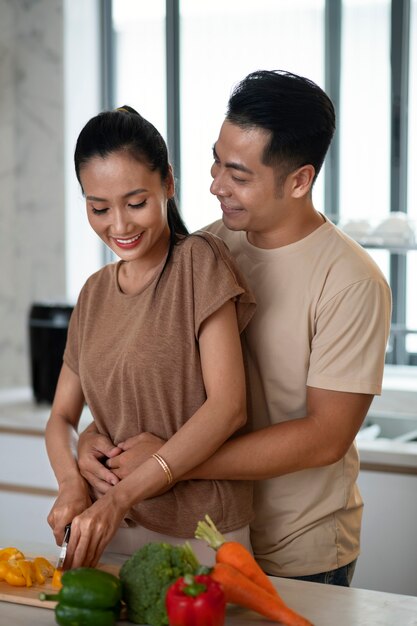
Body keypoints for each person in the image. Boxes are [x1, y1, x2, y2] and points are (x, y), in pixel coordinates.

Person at [77, 71, 392, 585]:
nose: (215, 185)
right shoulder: (200, 252)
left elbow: (323, 438)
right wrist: (93, 436)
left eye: (239, 176)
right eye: (216, 162)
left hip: (299, 549)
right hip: (205, 537)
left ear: (299, 180)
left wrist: (167, 463)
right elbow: (146, 373)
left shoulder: (350, 281)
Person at [45, 105, 256, 569]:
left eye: (135, 202)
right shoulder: (94, 293)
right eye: (99, 208)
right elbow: (61, 416)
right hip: (109, 527)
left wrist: (120, 498)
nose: (118, 226)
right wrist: (72, 482)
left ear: (168, 184)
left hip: (199, 532)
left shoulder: (199, 263)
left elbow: (228, 407)